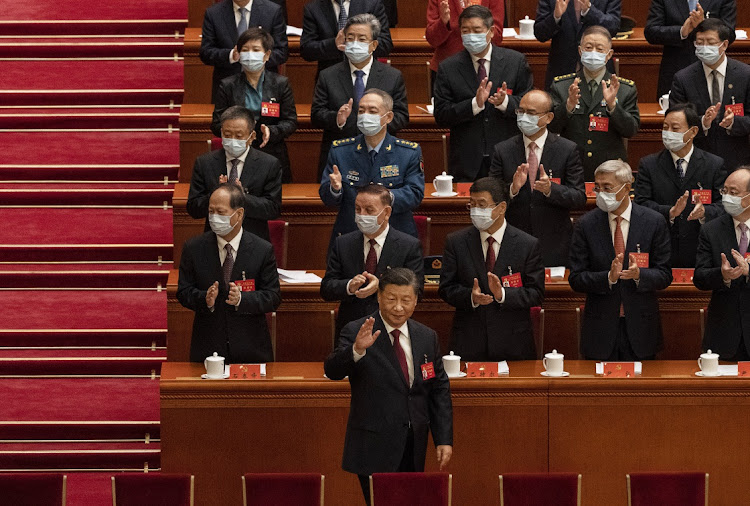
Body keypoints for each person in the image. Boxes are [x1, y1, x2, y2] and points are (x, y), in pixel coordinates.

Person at [324, 267, 453, 506]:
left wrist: (443, 438)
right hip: (373, 445)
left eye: (406, 300)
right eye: (391, 299)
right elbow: (332, 370)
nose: (398, 307)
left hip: (413, 443)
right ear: (379, 296)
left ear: (416, 301)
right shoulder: (357, 330)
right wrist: (357, 350)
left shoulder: (427, 336)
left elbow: (438, 389)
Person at [569, 160, 672, 361]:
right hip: (600, 328)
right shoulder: (586, 225)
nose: (601, 193)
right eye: (598, 188)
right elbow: (576, 278)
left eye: (607, 187)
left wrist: (639, 275)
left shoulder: (654, 222)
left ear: (627, 188)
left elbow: (665, 275)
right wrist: (608, 277)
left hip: (641, 327)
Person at [438, 177, 545, 361]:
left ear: (501, 207)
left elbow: (536, 293)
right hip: (469, 342)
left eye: (482, 205)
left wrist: (502, 295)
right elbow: (446, 288)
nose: (475, 211)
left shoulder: (527, 244)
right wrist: (471, 297)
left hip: (513, 344)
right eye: (472, 205)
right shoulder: (456, 242)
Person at [177, 183, 282, 363]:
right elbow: (183, 292)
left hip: (251, 349)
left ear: (239, 214)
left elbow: (273, 297)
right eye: (211, 211)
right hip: (208, 349)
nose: (214, 217)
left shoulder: (262, 250)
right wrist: (205, 299)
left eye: (220, 212)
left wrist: (242, 299)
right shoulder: (193, 248)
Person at [433, 5, 533, 182]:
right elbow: (441, 115)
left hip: (507, 156)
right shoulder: (448, 67)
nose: (471, 35)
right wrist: (474, 105)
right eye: (465, 30)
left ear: (491, 31)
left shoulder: (515, 62)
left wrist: (505, 102)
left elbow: (530, 105)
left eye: (476, 30)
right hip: (466, 160)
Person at [489, 89, 586, 267]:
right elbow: (492, 198)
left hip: (554, 244)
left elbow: (579, 196)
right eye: (521, 111)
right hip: (514, 242)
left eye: (531, 113)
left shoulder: (567, 150)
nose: (524, 117)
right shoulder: (502, 150)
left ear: (548, 118)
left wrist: (551, 190)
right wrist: (512, 189)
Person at [319, 88, 424, 246]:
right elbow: (327, 198)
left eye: (372, 111)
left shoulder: (408, 152)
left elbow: (415, 194)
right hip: (350, 236)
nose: (365, 115)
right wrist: (335, 189)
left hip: (395, 236)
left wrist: (383, 198)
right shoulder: (340, 151)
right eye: (361, 111)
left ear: (388, 117)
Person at [321, 185, 424, 342]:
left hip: (391, 331)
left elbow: (418, 291)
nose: (362, 215)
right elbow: (327, 288)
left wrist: (381, 287)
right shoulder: (343, 243)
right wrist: (349, 286)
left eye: (369, 210)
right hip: (351, 332)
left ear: (387, 212)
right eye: (357, 209)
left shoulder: (408, 246)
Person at [311, 14, 408, 179]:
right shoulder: (328, 75)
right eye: (350, 38)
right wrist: (338, 119)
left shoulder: (392, 76)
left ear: (374, 45)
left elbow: (402, 116)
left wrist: (378, 123)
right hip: (341, 155)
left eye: (362, 39)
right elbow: (317, 115)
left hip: (381, 154)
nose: (355, 43)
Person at [634, 103, 726, 267]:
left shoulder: (714, 165)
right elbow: (641, 204)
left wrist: (705, 212)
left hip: (700, 246)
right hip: (662, 245)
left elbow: (723, 205)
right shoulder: (649, 165)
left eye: (675, 128)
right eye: (665, 127)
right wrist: (669, 212)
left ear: (693, 132)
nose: (668, 133)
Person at [549, 25, 640, 181]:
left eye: (599, 49)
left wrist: (613, 107)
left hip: (609, 170)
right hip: (572, 166)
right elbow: (551, 127)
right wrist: (568, 106)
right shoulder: (562, 86)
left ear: (609, 54)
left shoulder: (624, 88)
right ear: (580, 51)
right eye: (588, 47)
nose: (593, 53)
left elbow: (631, 130)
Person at [211, 28, 298, 183]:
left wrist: (272, 131)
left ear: (267, 55)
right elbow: (216, 123)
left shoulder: (280, 84)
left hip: (272, 152)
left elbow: (290, 121)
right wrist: (236, 134)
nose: (250, 54)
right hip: (236, 154)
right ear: (238, 54)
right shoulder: (227, 85)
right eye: (245, 50)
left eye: (256, 49)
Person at [187, 106, 282, 243]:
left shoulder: (269, 164)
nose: (232, 140)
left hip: (254, 243)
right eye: (227, 134)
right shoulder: (205, 163)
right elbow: (193, 208)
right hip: (214, 243)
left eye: (238, 136)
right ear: (221, 132)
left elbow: (273, 209)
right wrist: (217, 195)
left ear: (252, 136)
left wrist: (241, 197)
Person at [669, 18, 750, 172]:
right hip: (698, 161)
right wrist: (702, 122)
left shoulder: (745, 75)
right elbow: (674, 120)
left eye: (710, 43)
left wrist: (734, 122)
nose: (704, 47)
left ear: (724, 45)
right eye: (699, 42)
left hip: (738, 161)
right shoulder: (683, 78)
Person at [694, 167, 750, 360]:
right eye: (724, 191)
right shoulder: (711, 230)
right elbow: (700, 277)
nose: (726, 197)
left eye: (733, 193)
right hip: (724, 333)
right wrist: (723, 275)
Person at [199, 0, 288, 103]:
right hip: (227, 90)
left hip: (265, 87)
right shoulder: (214, 13)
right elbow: (206, 52)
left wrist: (258, 59)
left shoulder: (272, 11)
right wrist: (232, 55)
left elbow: (282, 51)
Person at [645, 0, 736, 100]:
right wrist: (681, 31)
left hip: (713, 68)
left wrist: (705, 24)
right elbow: (651, 32)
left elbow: (730, 34)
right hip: (675, 67)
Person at [534, 0, 621, 90]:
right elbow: (540, 33)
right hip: (561, 70)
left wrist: (589, 11)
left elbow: (613, 27)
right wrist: (555, 17)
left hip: (598, 72)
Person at [425, 0, 504, 95]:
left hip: (483, 68)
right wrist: (443, 23)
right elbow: (432, 39)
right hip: (449, 71)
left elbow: (497, 37)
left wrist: (478, 27)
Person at [300, 0, 393, 76]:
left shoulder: (372, 4)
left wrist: (361, 46)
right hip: (331, 80)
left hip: (367, 75)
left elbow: (385, 44)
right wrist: (334, 44)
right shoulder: (313, 8)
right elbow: (307, 50)